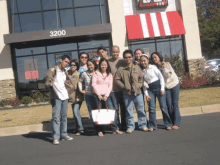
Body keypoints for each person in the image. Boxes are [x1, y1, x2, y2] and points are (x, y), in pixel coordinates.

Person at [115, 50, 148, 134]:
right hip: (127, 94)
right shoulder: (121, 69)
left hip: (138, 93)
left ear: (132, 57)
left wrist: (139, 85)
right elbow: (117, 79)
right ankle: (130, 126)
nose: (128, 59)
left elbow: (141, 78)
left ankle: (143, 125)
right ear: (124, 59)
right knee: (129, 111)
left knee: (140, 110)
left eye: (129, 57)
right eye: (126, 57)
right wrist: (123, 87)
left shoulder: (137, 67)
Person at [140, 54, 173, 132]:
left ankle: (168, 124)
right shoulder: (142, 71)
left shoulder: (153, 67)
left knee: (163, 107)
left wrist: (162, 88)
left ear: (148, 60)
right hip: (150, 90)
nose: (143, 62)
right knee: (151, 108)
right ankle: (152, 125)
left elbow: (161, 77)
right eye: (141, 61)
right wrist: (146, 94)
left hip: (158, 88)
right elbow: (144, 84)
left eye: (144, 60)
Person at [45, 55, 73, 145]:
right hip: (56, 96)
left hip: (64, 96)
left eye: (68, 62)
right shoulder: (53, 70)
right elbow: (46, 82)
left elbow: (66, 82)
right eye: (65, 61)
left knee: (64, 116)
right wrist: (50, 83)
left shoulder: (65, 71)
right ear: (61, 61)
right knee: (56, 117)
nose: (66, 63)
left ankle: (64, 134)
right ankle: (55, 137)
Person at [92, 58, 123, 137]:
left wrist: (106, 95)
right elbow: (94, 84)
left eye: (105, 65)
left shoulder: (109, 74)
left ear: (107, 66)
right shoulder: (95, 73)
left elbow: (110, 86)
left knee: (112, 111)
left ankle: (115, 128)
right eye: (102, 65)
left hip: (107, 96)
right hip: (97, 96)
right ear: (99, 65)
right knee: (100, 113)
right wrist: (99, 94)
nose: (103, 66)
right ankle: (100, 130)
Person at [151, 52, 181, 130]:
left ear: (159, 57)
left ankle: (176, 123)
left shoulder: (167, 64)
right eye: (153, 58)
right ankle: (170, 122)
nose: (154, 59)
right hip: (166, 87)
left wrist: (164, 67)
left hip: (174, 85)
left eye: (155, 57)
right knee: (168, 105)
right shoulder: (155, 68)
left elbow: (169, 75)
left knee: (175, 104)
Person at [78, 59, 98, 134]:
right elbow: (80, 81)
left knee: (98, 111)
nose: (90, 66)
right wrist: (81, 90)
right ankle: (95, 128)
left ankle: (100, 128)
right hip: (88, 96)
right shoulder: (84, 74)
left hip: (97, 95)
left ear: (94, 65)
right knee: (91, 113)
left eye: (91, 64)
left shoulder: (97, 73)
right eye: (88, 65)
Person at [108, 45, 126, 130]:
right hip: (113, 89)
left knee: (123, 107)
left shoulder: (122, 61)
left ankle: (124, 125)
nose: (115, 53)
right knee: (115, 108)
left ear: (119, 52)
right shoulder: (108, 62)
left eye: (116, 52)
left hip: (122, 88)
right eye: (113, 52)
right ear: (111, 52)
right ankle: (117, 125)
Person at [71, 52, 88, 135]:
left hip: (89, 92)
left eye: (86, 57)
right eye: (82, 57)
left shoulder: (90, 66)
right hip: (77, 93)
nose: (84, 58)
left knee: (76, 111)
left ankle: (81, 128)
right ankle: (79, 128)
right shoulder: (77, 69)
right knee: (75, 111)